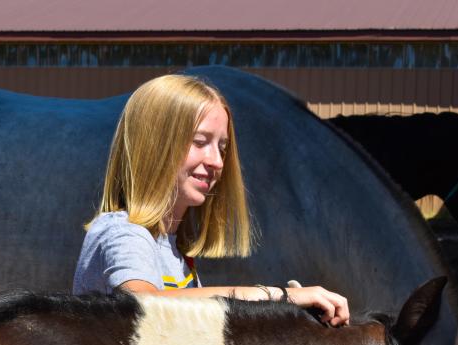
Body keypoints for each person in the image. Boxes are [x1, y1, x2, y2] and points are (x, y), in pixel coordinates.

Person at [73, 74, 350, 326]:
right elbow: (147, 306)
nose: (217, 162)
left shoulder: (174, 247)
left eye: (222, 147)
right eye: (199, 142)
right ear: (153, 146)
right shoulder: (122, 230)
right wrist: (278, 297)